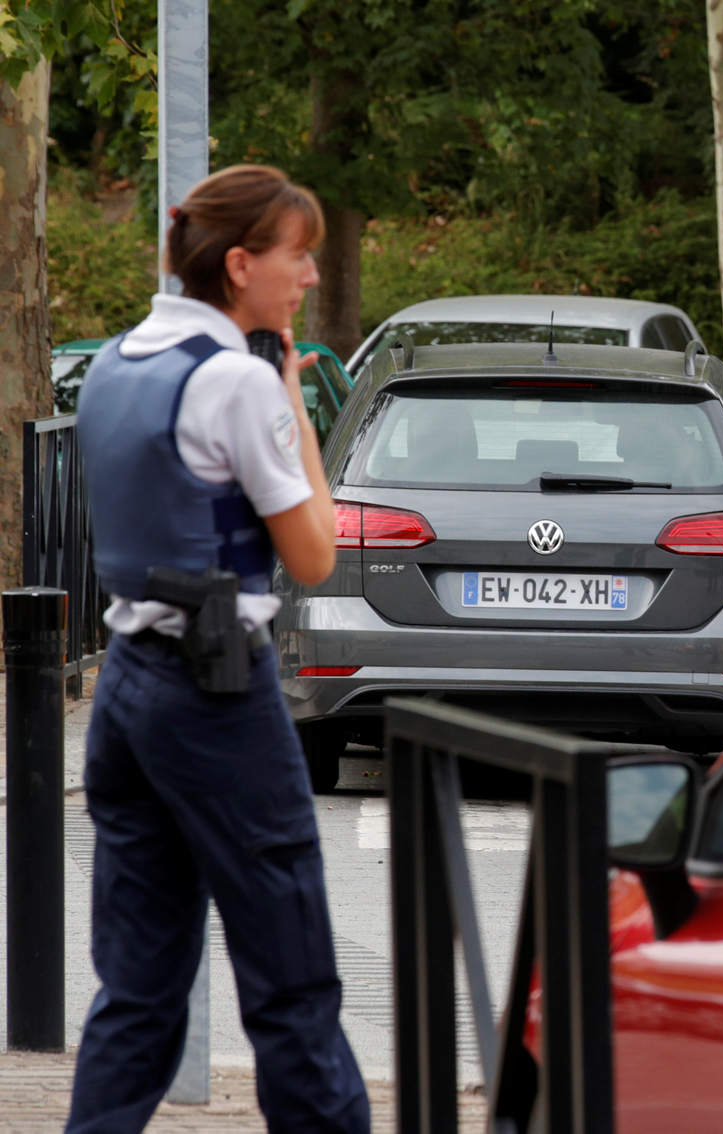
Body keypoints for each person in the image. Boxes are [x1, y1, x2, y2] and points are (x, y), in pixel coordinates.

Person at [68, 166, 369, 1133]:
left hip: (126, 692)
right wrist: (288, 396)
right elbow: (314, 555)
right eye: (297, 254)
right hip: (215, 697)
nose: (312, 275)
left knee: (138, 992)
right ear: (241, 265)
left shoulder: (117, 360)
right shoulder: (236, 379)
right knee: (292, 984)